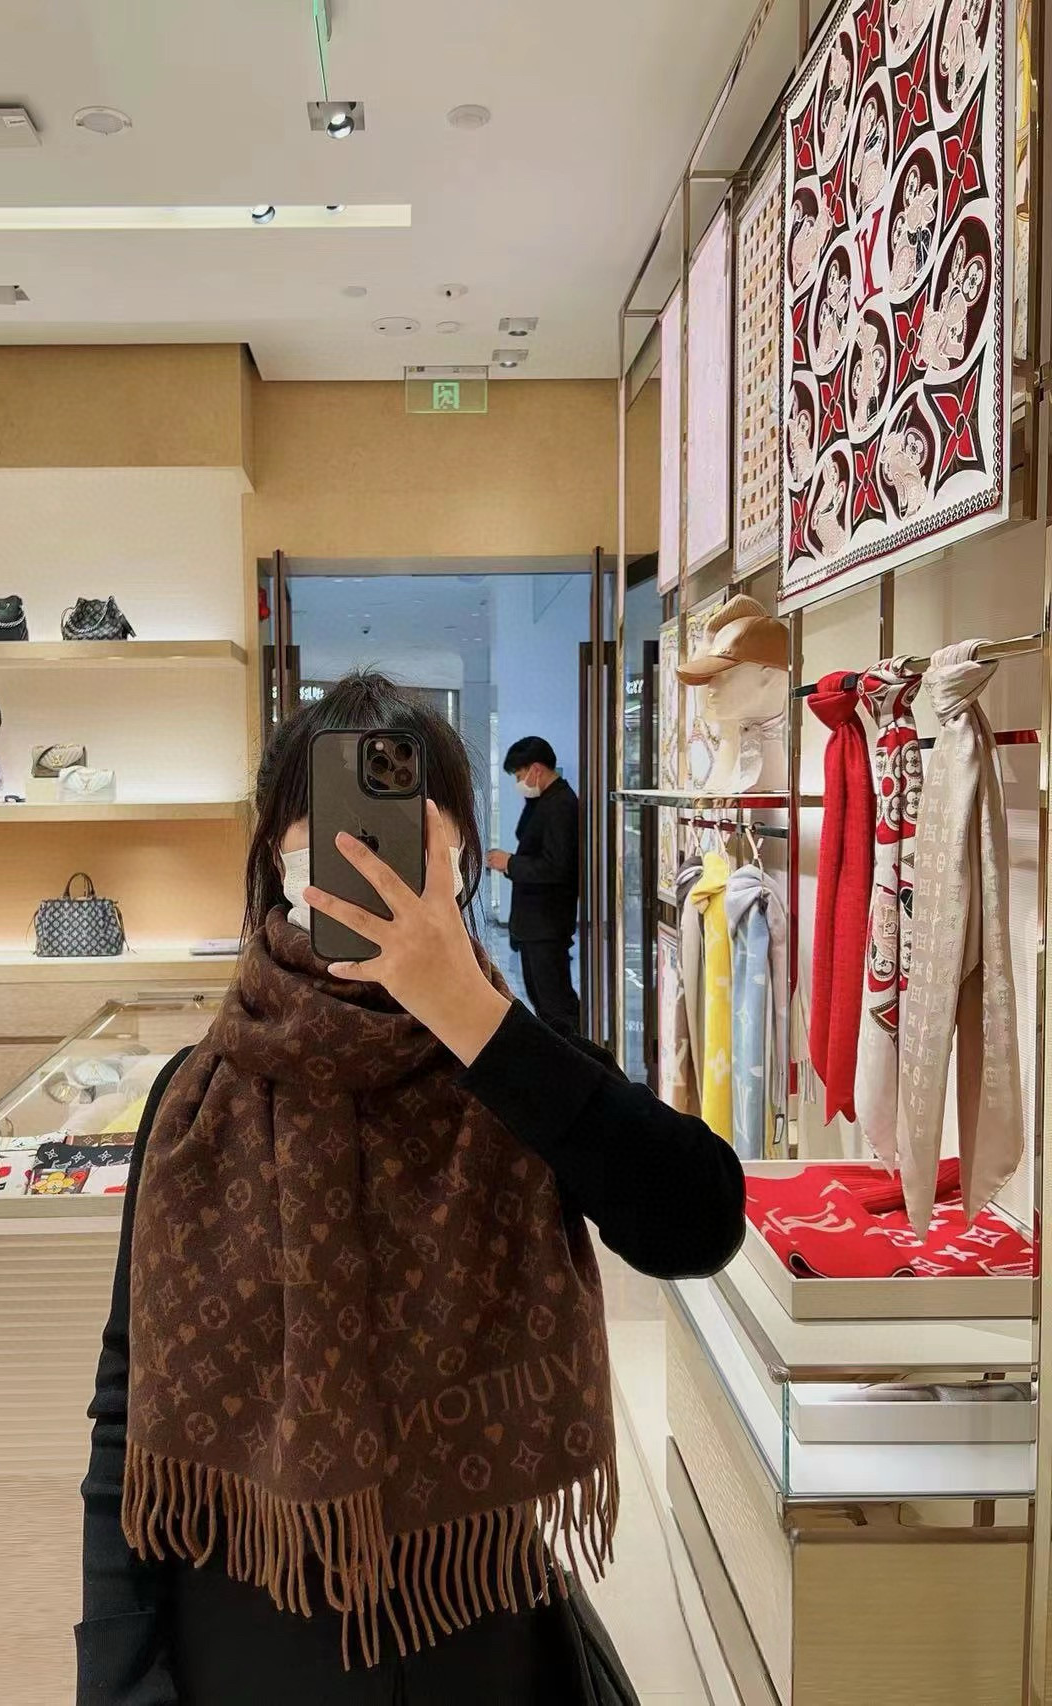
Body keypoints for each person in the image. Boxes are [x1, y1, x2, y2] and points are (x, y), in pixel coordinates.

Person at [78, 673, 744, 1706]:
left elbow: (697, 1223)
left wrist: (468, 1013)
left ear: (455, 852)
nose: (361, 852)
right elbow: (127, 1408)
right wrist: (119, 1683)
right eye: (327, 820)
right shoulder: (195, 1100)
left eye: (397, 824)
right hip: (241, 1634)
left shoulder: (516, 1073)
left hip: (477, 1638)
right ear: (275, 852)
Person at [487, 737, 582, 1037]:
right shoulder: (544, 800)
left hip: (547, 923)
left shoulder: (561, 804)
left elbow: (556, 866)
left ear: (536, 770)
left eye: (519, 775)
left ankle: (572, 1055)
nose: (519, 784)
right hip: (535, 923)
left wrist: (510, 863)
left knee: (555, 1004)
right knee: (543, 1001)